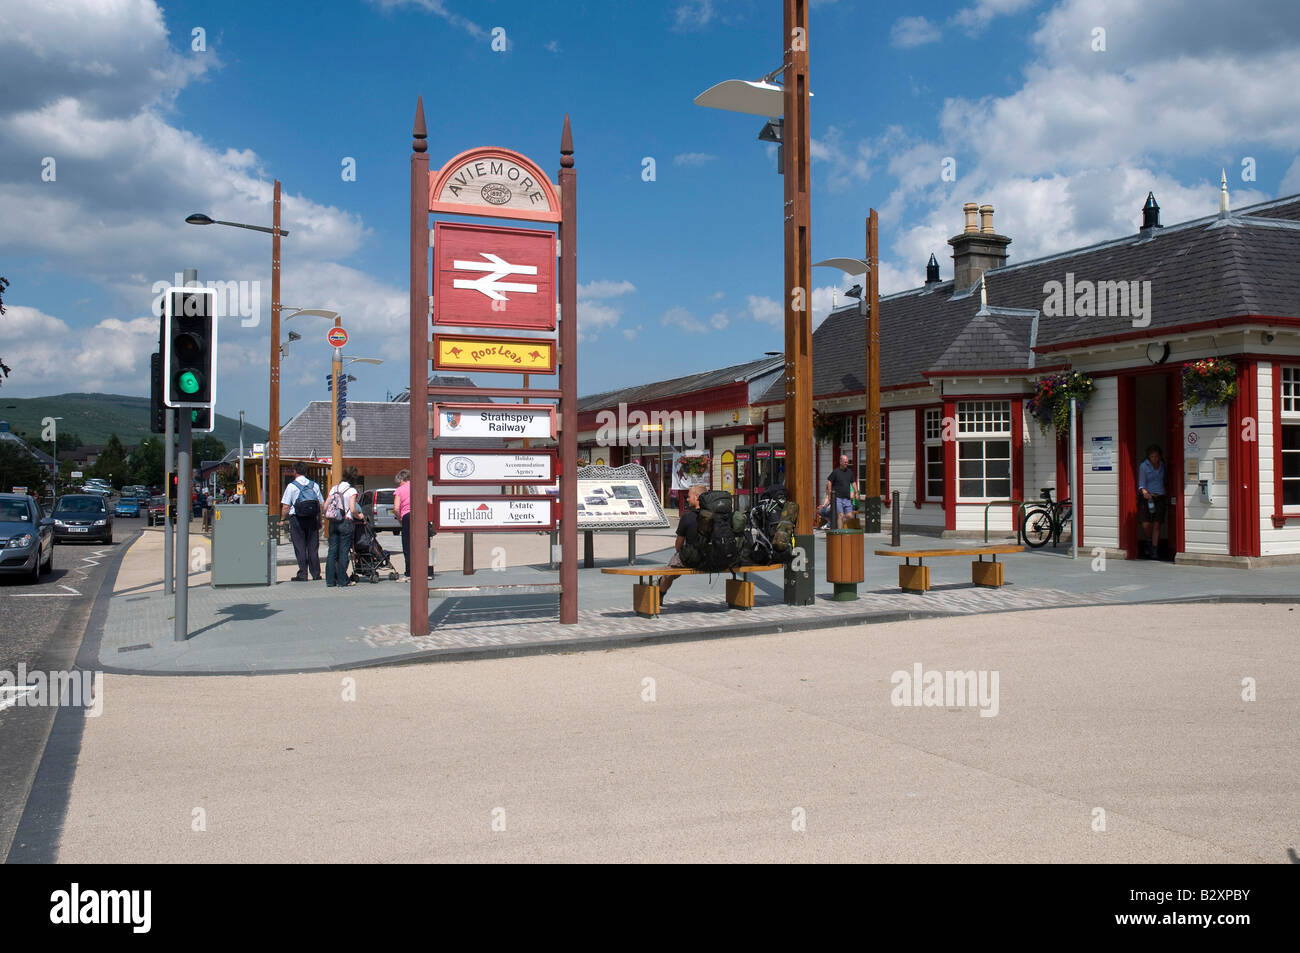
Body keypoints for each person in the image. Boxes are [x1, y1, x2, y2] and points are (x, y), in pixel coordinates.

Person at [657, 484, 704, 603]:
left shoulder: (687, 517)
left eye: (689, 497)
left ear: (697, 497)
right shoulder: (715, 515)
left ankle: (659, 594)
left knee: (669, 571)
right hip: (712, 557)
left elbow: (678, 544)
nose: (687, 499)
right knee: (676, 567)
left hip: (693, 558)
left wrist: (680, 552)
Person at [280, 462, 323, 581]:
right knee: (313, 547)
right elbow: (320, 504)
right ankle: (316, 574)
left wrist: (282, 519)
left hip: (297, 519)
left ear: (295, 471)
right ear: (306, 471)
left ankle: (303, 574)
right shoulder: (314, 485)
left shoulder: (291, 486)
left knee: (300, 546)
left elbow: (286, 506)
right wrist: (319, 519)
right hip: (312, 519)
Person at [324, 466, 362, 587]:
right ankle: (342, 580)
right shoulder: (352, 491)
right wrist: (359, 516)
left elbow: (325, 506)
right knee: (343, 551)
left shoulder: (334, 488)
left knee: (332, 551)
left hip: (333, 521)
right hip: (346, 521)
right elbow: (352, 508)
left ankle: (330, 581)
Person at [1137, 444, 1168, 560]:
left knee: (1157, 524)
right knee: (1146, 524)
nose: (1155, 459)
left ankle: (1154, 549)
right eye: (1152, 457)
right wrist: (1144, 491)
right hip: (1147, 497)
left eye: (1156, 456)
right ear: (1149, 457)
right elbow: (1141, 484)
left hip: (1159, 496)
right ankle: (1148, 542)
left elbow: (1165, 480)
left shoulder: (1162, 465)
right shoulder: (1144, 466)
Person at [825, 454, 858, 529]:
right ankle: (839, 532)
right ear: (840, 462)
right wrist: (830, 493)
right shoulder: (836, 472)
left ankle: (835, 523)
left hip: (847, 498)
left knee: (850, 516)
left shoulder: (850, 472)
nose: (847, 463)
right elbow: (829, 481)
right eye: (845, 462)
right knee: (840, 515)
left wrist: (856, 492)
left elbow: (853, 482)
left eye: (847, 462)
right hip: (838, 498)